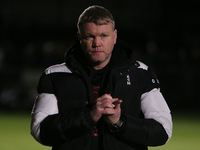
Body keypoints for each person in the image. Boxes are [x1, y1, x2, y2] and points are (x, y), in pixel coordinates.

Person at [30, 5, 172, 150]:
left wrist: (119, 122)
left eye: (104, 36)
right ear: (79, 37)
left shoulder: (140, 73)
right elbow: (40, 131)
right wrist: (89, 116)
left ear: (115, 36)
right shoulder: (55, 75)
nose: (97, 43)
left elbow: (163, 131)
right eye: (90, 36)